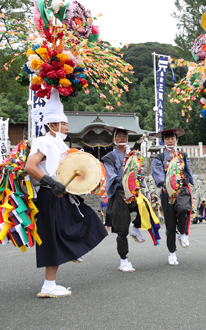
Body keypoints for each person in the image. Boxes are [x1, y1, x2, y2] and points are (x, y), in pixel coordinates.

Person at [25, 88, 107, 298]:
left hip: (62, 194)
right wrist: (51, 183)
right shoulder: (43, 141)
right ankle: (48, 285)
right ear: (52, 125)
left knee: (88, 220)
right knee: (52, 237)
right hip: (49, 195)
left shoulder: (58, 143)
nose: (67, 127)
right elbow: (30, 166)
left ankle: (71, 252)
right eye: (64, 123)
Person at [101, 126, 145, 273]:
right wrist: (125, 181)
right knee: (121, 229)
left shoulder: (133, 154)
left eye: (124, 136)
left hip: (133, 192)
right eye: (119, 136)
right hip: (119, 193)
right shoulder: (109, 157)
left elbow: (139, 171)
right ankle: (124, 260)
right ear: (114, 139)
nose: (122, 138)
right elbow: (111, 176)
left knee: (145, 207)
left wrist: (138, 184)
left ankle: (136, 228)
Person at [151, 128, 193, 266]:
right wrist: (164, 184)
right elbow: (158, 174)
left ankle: (182, 232)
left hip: (181, 190)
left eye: (172, 138)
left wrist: (185, 179)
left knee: (183, 209)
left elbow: (187, 172)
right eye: (167, 138)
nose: (170, 141)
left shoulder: (183, 155)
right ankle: (172, 253)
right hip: (167, 192)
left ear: (176, 140)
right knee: (170, 224)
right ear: (163, 141)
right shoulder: (159, 158)